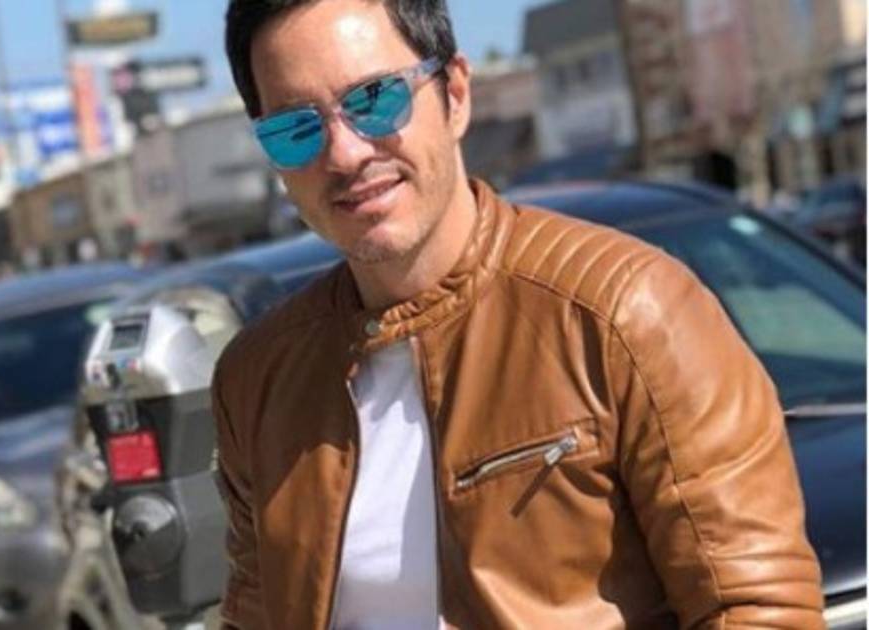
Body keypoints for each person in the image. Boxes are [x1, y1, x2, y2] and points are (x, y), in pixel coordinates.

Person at [210, 0, 825, 628]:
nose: (343, 153)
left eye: (374, 100)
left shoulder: (627, 312)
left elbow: (756, 609)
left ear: (454, 94)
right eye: (295, 129)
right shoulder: (257, 382)